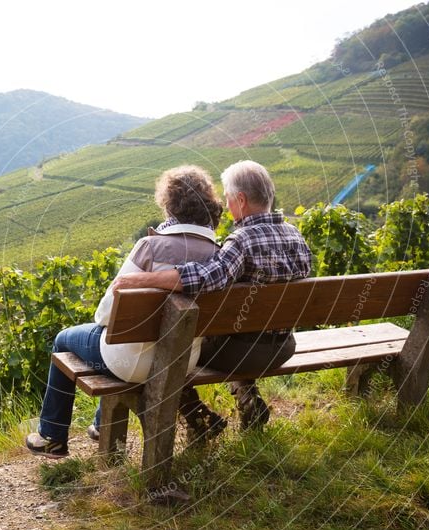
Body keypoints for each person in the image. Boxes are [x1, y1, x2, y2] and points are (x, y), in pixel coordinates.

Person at [26, 165, 225, 458]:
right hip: (182, 360)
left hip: (130, 362)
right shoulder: (220, 255)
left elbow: (106, 315)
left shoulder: (150, 247)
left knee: (64, 339)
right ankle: (97, 424)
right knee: (121, 341)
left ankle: (52, 436)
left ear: (169, 206)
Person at [112, 160, 313, 431]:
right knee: (239, 330)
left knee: (176, 349)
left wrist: (142, 279)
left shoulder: (241, 241)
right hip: (284, 347)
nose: (227, 207)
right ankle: (246, 395)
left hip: (241, 353)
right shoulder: (295, 235)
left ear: (241, 200)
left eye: (229, 199)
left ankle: (199, 418)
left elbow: (204, 278)